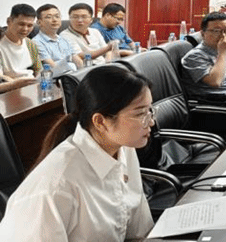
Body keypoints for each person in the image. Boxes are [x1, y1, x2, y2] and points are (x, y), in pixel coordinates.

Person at [0, 65, 154, 240]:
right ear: (100, 122)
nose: (151, 121)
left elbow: (139, 232)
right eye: (140, 114)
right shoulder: (56, 186)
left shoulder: (123, 147)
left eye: (150, 110)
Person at [0, 4, 40, 93]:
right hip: (10, 91)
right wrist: (15, 84)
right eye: (21, 24)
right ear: (9, 21)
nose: (25, 29)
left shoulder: (30, 44)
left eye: (30, 25)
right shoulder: (1, 44)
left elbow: (38, 69)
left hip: (32, 88)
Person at [33, 3, 83, 72]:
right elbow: (53, 67)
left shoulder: (63, 39)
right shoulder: (36, 42)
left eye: (57, 16)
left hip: (73, 74)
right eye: (49, 17)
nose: (54, 20)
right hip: (58, 76)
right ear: (39, 22)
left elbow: (78, 61)